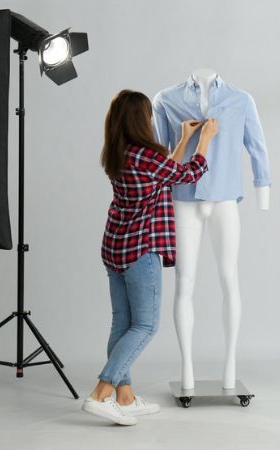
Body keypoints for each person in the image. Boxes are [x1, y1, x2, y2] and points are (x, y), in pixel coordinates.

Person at [82, 90, 218, 425]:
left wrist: (185, 137)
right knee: (145, 325)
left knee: (122, 323)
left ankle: (124, 397)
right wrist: (205, 140)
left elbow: (164, 171)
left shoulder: (118, 152)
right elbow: (187, 173)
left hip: (115, 247)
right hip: (141, 250)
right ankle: (102, 391)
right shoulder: (147, 156)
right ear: (141, 120)